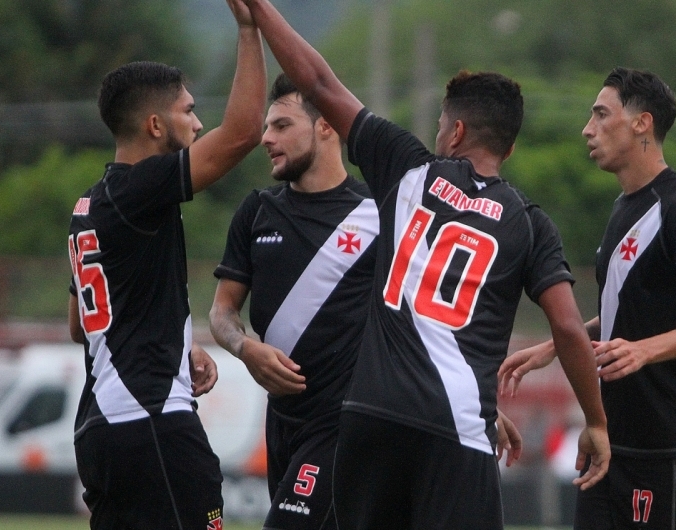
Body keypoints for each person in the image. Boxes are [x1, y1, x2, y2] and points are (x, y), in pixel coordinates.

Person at [240, 1, 611, 528]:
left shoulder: (407, 169)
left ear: (456, 133)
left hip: (370, 417)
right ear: (508, 144)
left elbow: (318, 82)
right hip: (455, 427)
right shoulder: (528, 223)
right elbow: (570, 328)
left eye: (441, 123)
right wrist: (595, 421)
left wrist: (258, 8)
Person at [208, 73, 523, 530]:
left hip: (343, 421)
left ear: (326, 127)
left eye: (281, 126)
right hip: (281, 422)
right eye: (267, 127)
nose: (266, 139)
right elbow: (221, 313)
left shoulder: (383, 210)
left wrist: (473, 404)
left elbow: (428, 317)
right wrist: (244, 347)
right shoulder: (256, 211)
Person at [499, 67, 676, 529]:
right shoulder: (623, 207)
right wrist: (557, 345)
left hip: (670, 439)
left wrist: (644, 350)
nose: (588, 129)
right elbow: (623, 309)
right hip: (613, 436)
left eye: (600, 114)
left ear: (642, 123)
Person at [65, 1, 266, 528]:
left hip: (100, 430)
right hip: (151, 420)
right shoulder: (140, 189)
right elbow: (243, 132)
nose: (199, 123)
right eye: (189, 111)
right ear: (155, 125)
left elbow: (79, 324)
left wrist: (173, 342)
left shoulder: (89, 206)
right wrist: (249, 29)